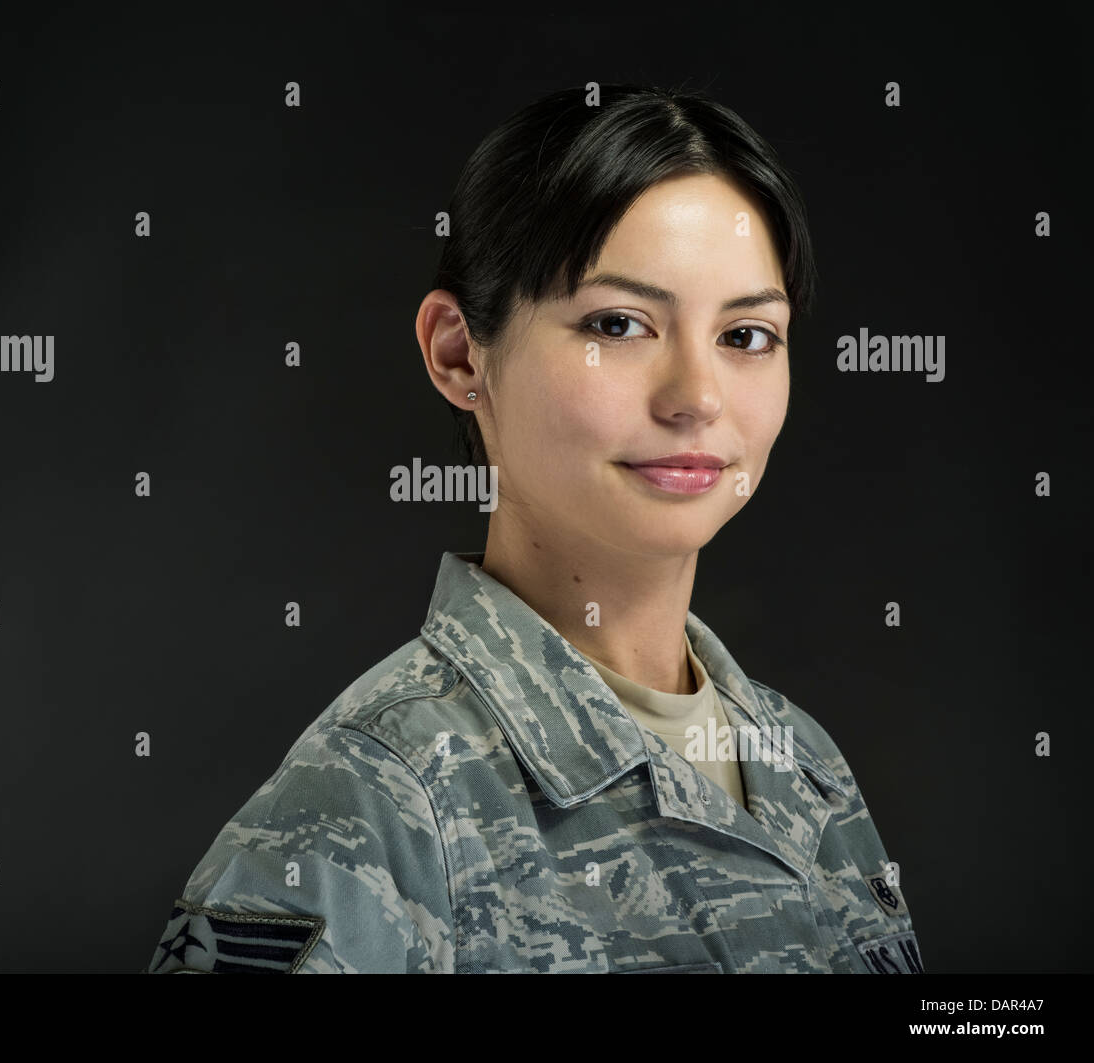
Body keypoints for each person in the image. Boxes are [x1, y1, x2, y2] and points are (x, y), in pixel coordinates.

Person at [144, 82, 924, 974]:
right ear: (458, 352)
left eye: (747, 335)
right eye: (618, 324)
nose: (698, 398)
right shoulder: (372, 809)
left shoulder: (805, 765)